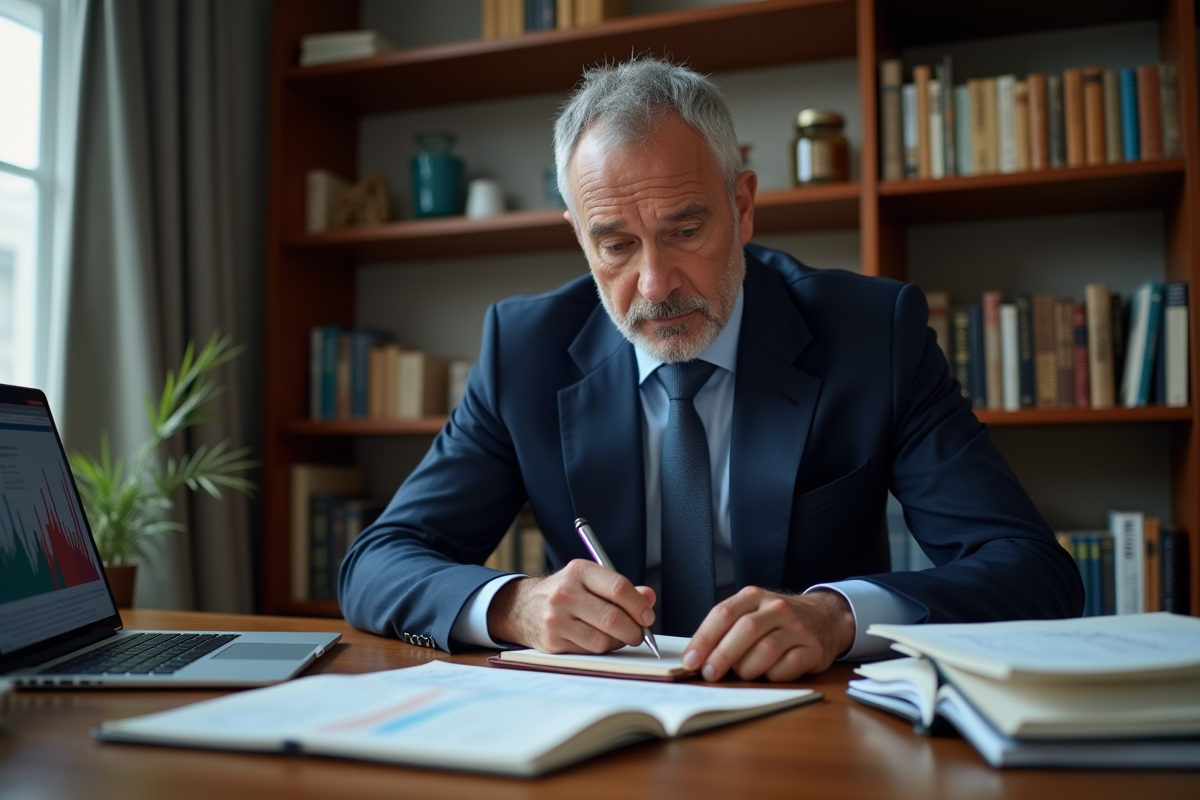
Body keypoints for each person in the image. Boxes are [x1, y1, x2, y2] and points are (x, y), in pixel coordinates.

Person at [339, 57, 1083, 682]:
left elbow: (1033, 571)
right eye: (616, 245)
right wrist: (515, 606)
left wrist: (838, 616)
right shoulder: (524, 350)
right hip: (603, 721)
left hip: (812, 721)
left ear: (743, 206)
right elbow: (377, 562)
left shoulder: (873, 335)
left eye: (686, 230)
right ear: (580, 238)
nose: (655, 285)